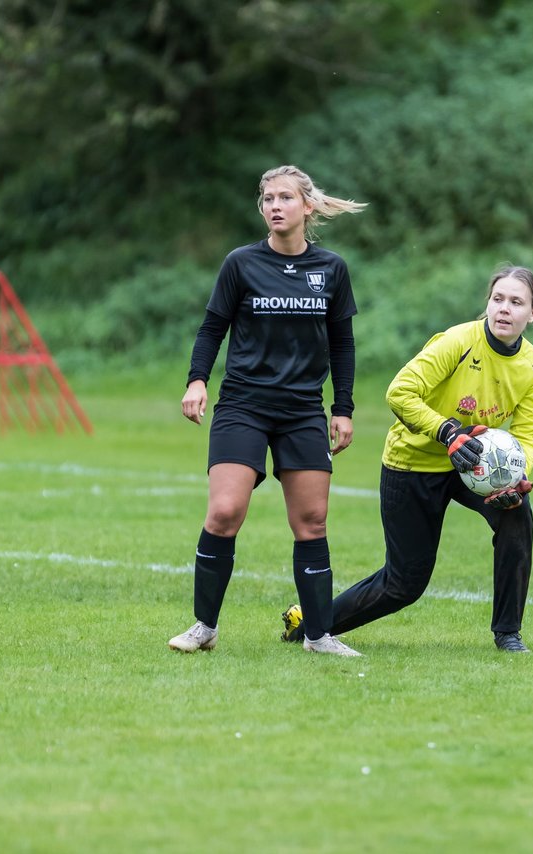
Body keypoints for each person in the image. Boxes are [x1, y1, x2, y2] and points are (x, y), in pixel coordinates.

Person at [281, 264, 533, 652]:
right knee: (404, 584)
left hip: (472, 468)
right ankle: (311, 621)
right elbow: (400, 392)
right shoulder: (458, 342)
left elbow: (529, 430)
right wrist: (447, 432)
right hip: (413, 463)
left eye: (516, 302)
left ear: (532, 313)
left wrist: (517, 477)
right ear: (488, 304)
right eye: (498, 299)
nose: (504, 309)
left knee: (516, 514)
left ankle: (508, 632)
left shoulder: (532, 364)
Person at [169, 164, 367, 657]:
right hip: (243, 404)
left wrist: (342, 408)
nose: (274, 206)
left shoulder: (332, 269)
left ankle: (319, 635)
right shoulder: (240, 263)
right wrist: (197, 380)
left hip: (302, 409)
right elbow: (212, 328)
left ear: (307, 207)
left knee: (312, 522)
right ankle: (204, 627)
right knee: (224, 511)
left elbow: (342, 344)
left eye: (284, 198)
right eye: (267, 199)